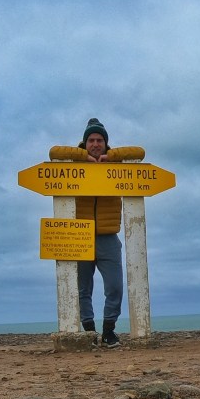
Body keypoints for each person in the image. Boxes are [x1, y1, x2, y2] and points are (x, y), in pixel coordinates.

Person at [49, 118, 145, 347]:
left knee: (115, 287)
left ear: (106, 143)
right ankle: (90, 332)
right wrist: (86, 158)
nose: (95, 144)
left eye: (99, 140)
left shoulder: (116, 162)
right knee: (83, 289)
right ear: (84, 143)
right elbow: (54, 151)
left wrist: (108, 158)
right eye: (91, 140)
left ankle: (109, 330)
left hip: (108, 236)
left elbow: (139, 151)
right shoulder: (73, 161)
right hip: (79, 235)